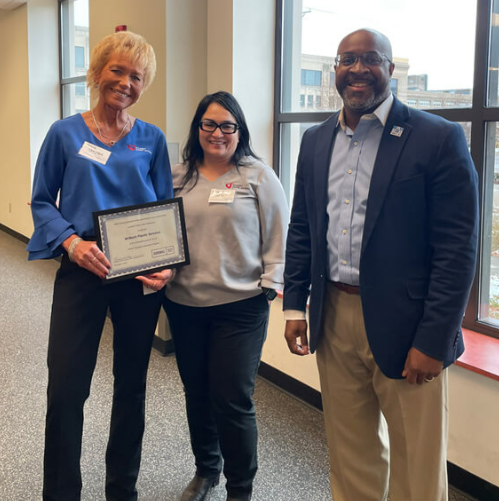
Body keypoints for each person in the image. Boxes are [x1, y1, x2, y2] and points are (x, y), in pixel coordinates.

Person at [283, 29, 478, 501]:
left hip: (410, 326)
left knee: (417, 461)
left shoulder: (437, 137)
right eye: (347, 59)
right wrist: (294, 306)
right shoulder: (314, 140)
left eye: (371, 58)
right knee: (350, 453)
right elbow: (303, 227)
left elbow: (458, 249)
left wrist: (433, 340)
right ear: (335, 70)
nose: (357, 68)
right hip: (333, 314)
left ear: (390, 69)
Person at [27, 31, 174, 501]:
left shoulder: (151, 139)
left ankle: (121, 490)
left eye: (136, 76)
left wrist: (166, 264)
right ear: (97, 73)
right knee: (67, 389)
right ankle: (62, 493)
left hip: (136, 273)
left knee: (131, 387)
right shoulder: (64, 133)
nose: (126, 82)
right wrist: (70, 243)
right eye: (117, 70)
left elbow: (165, 208)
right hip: (82, 265)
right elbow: (41, 202)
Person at [163, 91, 288, 501]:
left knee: (232, 397)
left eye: (227, 126)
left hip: (240, 307)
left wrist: (270, 286)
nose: (218, 133)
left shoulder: (257, 176)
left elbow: (279, 236)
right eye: (209, 124)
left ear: (240, 131)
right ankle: (206, 470)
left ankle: (240, 488)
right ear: (197, 128)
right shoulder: (178, 175)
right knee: (196, 392)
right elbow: (159, 233)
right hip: (184, 304)